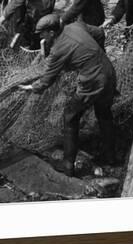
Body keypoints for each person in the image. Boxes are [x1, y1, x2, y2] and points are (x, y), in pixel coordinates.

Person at [19, 14, 117, 176]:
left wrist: (31, 87)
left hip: (92, 81)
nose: (40, 36)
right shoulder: (76, 26)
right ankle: (110, 156)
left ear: (51, 33)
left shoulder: (58, 49)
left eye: (42, 33)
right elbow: (99, 33)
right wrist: (94, 54)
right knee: (104, 113)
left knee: (70, 116)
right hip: (108, 71)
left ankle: (68, 165)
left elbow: (47, 78)